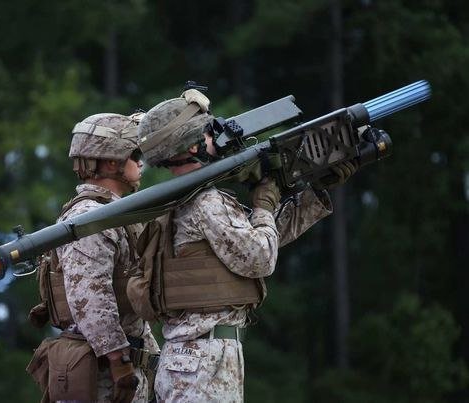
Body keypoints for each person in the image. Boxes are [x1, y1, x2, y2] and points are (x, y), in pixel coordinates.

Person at [135, 89, 355, 402]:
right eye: (208, 133)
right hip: (204, 362)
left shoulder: (185, 198)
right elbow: (260, 256)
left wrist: (313, 196)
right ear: (193, 146)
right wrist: (264, 204)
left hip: (197, 359)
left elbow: (257, 240)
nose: (216, 138)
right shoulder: (207, 202)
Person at [26, 112, 160, 403]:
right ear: (111, 162)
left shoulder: (111, 212)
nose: (140, 163)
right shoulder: (91, 218)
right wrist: (119, 361)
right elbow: (90, 297)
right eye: (134, 154)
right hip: (103, 372)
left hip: (117, 362)